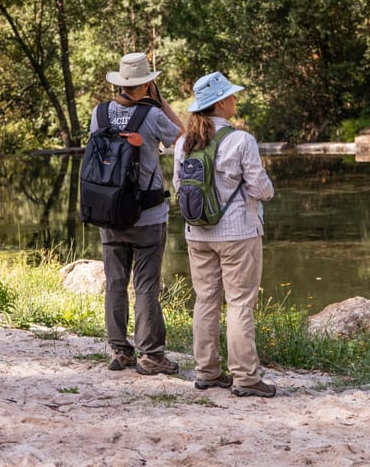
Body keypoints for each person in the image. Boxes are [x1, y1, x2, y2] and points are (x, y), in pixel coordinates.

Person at [172, 71, 276, 397]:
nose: (234, 100)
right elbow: (261, 188)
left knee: (205, 301)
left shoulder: (183, 143)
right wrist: (268, 190)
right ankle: (245, 378)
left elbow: (179, 187)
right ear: (220, 103)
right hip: (238, 234)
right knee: (240, 304)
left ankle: (207, 371)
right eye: (231, 96)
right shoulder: (241, 140)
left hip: (197, 233)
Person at [91, 52, 184, 375]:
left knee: (116, 283)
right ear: (147, 84)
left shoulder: (99, 113)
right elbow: (183, 138)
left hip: (109, 213)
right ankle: (151, 356)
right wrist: (161, 102)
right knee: (146, 286)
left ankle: (119, 351)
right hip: (148, 215)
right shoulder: (152, 115)